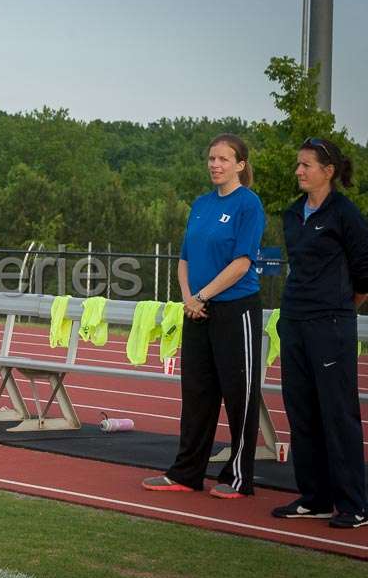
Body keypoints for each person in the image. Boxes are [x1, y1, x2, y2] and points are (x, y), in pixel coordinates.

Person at [143, 133, 265, 498]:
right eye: (211, 158)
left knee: (239, 394)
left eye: (223, 159)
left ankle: (238, 478)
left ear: (240, 165)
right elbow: (184, 259)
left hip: (234, 309)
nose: (215, 165)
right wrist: (188, 299)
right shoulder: (200, 204)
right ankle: (186, 472)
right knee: (196, 394)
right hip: (196, 310)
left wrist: (202, 295)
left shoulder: (249, 205)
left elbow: (242, 263)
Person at [272, 137, 368, 529]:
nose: (298, 171)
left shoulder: (345, 213)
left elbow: (364, 273)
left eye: (306, 165)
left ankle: (353, 504)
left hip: (330, 326)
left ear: (328, 171)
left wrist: (339, 310)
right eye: (298, 164)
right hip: (293, 322)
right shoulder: (293, 214)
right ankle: (315, 498)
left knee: (337, 413)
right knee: (302, 411)